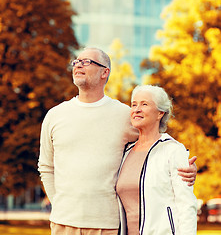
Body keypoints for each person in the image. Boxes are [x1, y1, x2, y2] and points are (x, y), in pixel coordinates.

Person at [38, 47, 197, 235]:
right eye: (76, 61)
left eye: (87, 61)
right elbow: (46, 167)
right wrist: (60, 204)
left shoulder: (124, 115)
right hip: (62, 223)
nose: (78, 65)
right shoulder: (55, 115)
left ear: (105, 72)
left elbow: (154, 143)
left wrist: (184, 168)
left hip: (108, 225)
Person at [116, 85, 197, 235]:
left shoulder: (173, 150)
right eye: (134, 104)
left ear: (160, 112)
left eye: (144, 104)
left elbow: (186, 205)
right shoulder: (125, 152)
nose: (137, 109)